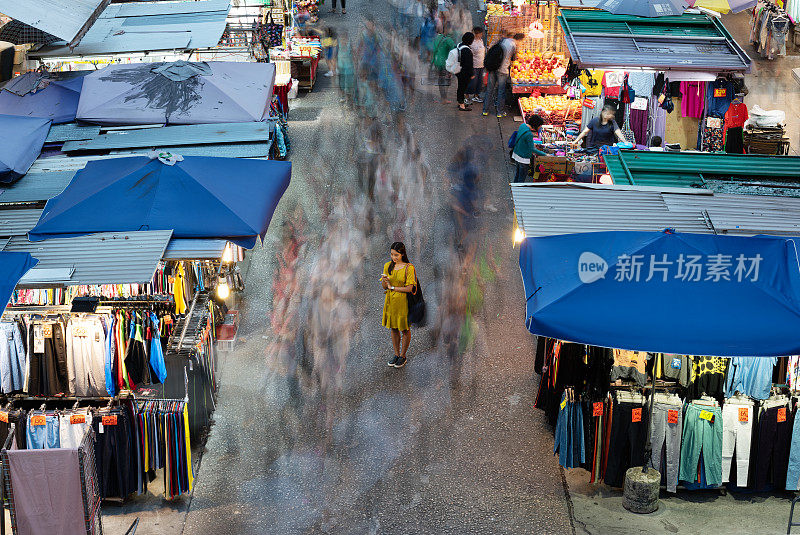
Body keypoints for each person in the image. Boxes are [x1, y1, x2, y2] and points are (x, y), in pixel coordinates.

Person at [380, 242, 417, 368]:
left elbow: (410, 288)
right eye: (392, 254)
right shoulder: (387, 266)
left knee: (405, 329)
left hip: (403, 303)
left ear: (402, 254)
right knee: (393, 328)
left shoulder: (409, 268)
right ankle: (396, 354)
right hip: (390, 302)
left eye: (396, 255)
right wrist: (385, 282)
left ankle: (403, 355)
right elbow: (384, 287)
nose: (393, 257)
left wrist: (393, 287)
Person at [482, 32, 522, 118]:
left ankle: (485, 110)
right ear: (519, 40)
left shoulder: (503, 41)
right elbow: (513, 59)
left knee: (489, 89)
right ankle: (500, 112)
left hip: (493, 68)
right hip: (502, 71)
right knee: (501, 91)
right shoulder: (513, 45)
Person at [511, 114, 546, 182]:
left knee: (517, 175)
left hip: (516, 154)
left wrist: (532, 143)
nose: (540, 127)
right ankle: (519, 191)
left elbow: (523, 140)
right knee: (521, 178)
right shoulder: (529, 134)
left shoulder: (523, 125)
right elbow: (532, 149)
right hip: (523, 158)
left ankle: (514, 189)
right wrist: (544, 154)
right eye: (540, 126)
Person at [432, 26, 455, 102]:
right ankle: (444, 98)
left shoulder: (437, 38)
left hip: (437, 62)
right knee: (447, 79)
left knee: (441, 79)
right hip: (445, 63)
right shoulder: (449, 40)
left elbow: (433, 49)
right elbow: (454, 51)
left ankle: (443, 97)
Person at [456, 32, 474, 111]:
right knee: (462, 88)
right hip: (464, 72)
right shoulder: (467, 50)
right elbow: (469, 65)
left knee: (460, 87)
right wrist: (471, 74)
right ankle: (462, 105)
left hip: (458, 70)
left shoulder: (459, 45)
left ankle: (460, 103)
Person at [467, 26, 485, 103]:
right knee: (472, 82)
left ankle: (476, 96)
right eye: (480, 34)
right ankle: (466, 96)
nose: (481, 35)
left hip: (481, 65)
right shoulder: (471, 42)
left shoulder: (481, 41)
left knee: (479, 82)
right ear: (476, 34)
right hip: (474, 65)